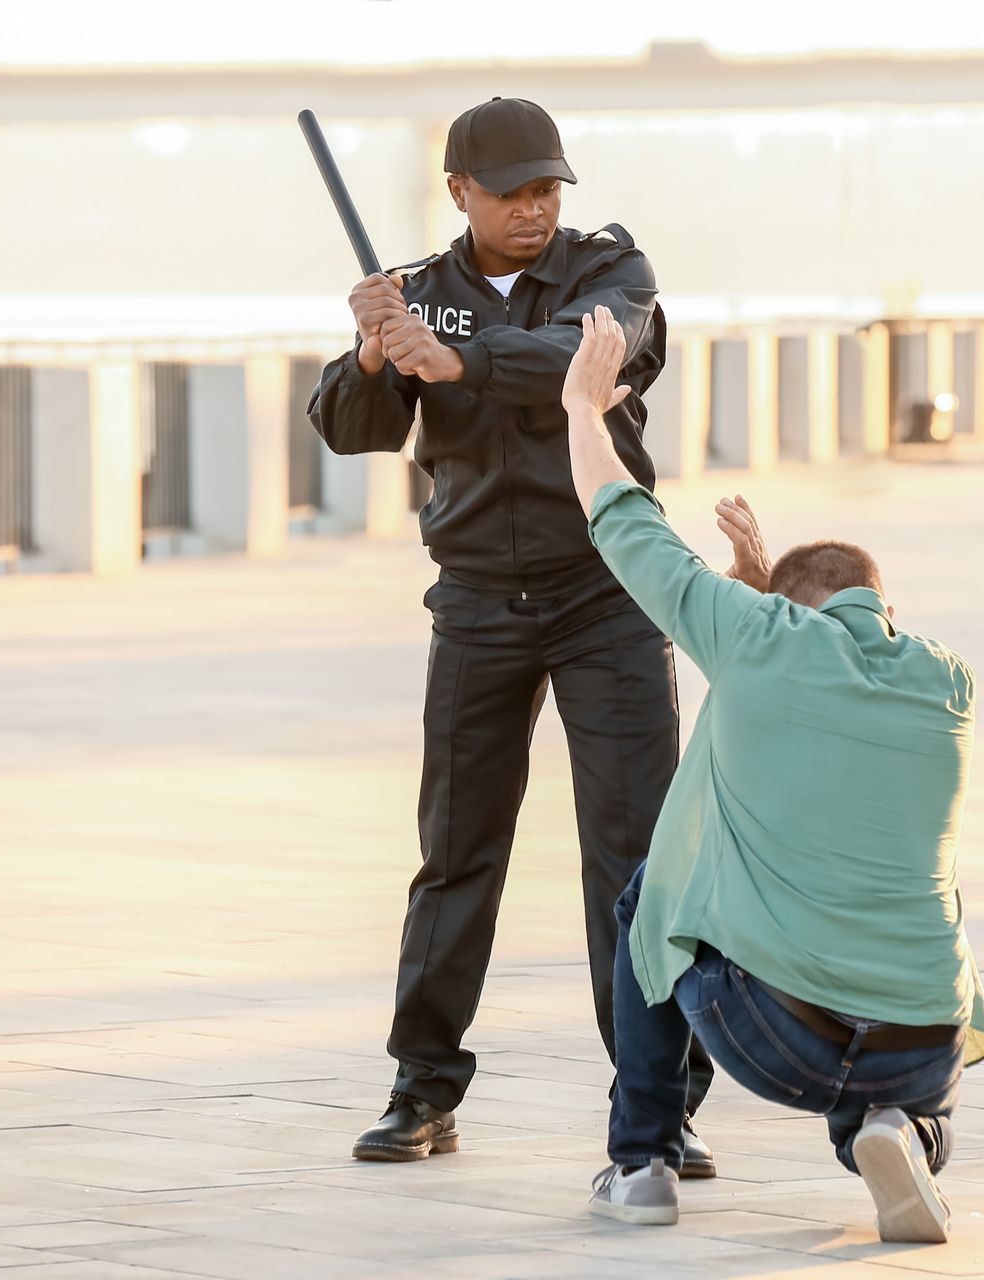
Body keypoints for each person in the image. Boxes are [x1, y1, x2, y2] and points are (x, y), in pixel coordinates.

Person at [307, 97, 714, 1171]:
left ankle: (657, 1104)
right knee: (457, 852)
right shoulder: (414, 295)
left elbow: (595, 359)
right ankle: (421, 1089)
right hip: (478, 603)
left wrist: (458, 361)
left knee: (635, 858)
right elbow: (352, 429)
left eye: (548, 188)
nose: (536, 208)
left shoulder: (610, 271)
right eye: (513, 190)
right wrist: (371, 351)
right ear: (460, 194)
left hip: (608, 593)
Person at [557, 307, 984, 1243]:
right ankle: (902, 1125)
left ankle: (641, 1165)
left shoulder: (758, 640)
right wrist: (761, 602)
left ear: (781, 611)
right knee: (918, 911)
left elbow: (624, 522)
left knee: (648, 898)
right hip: (925, 1040)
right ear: (887, 605)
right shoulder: (948, 683)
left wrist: (581, 411)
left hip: (778, 1036)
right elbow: (818, 683)